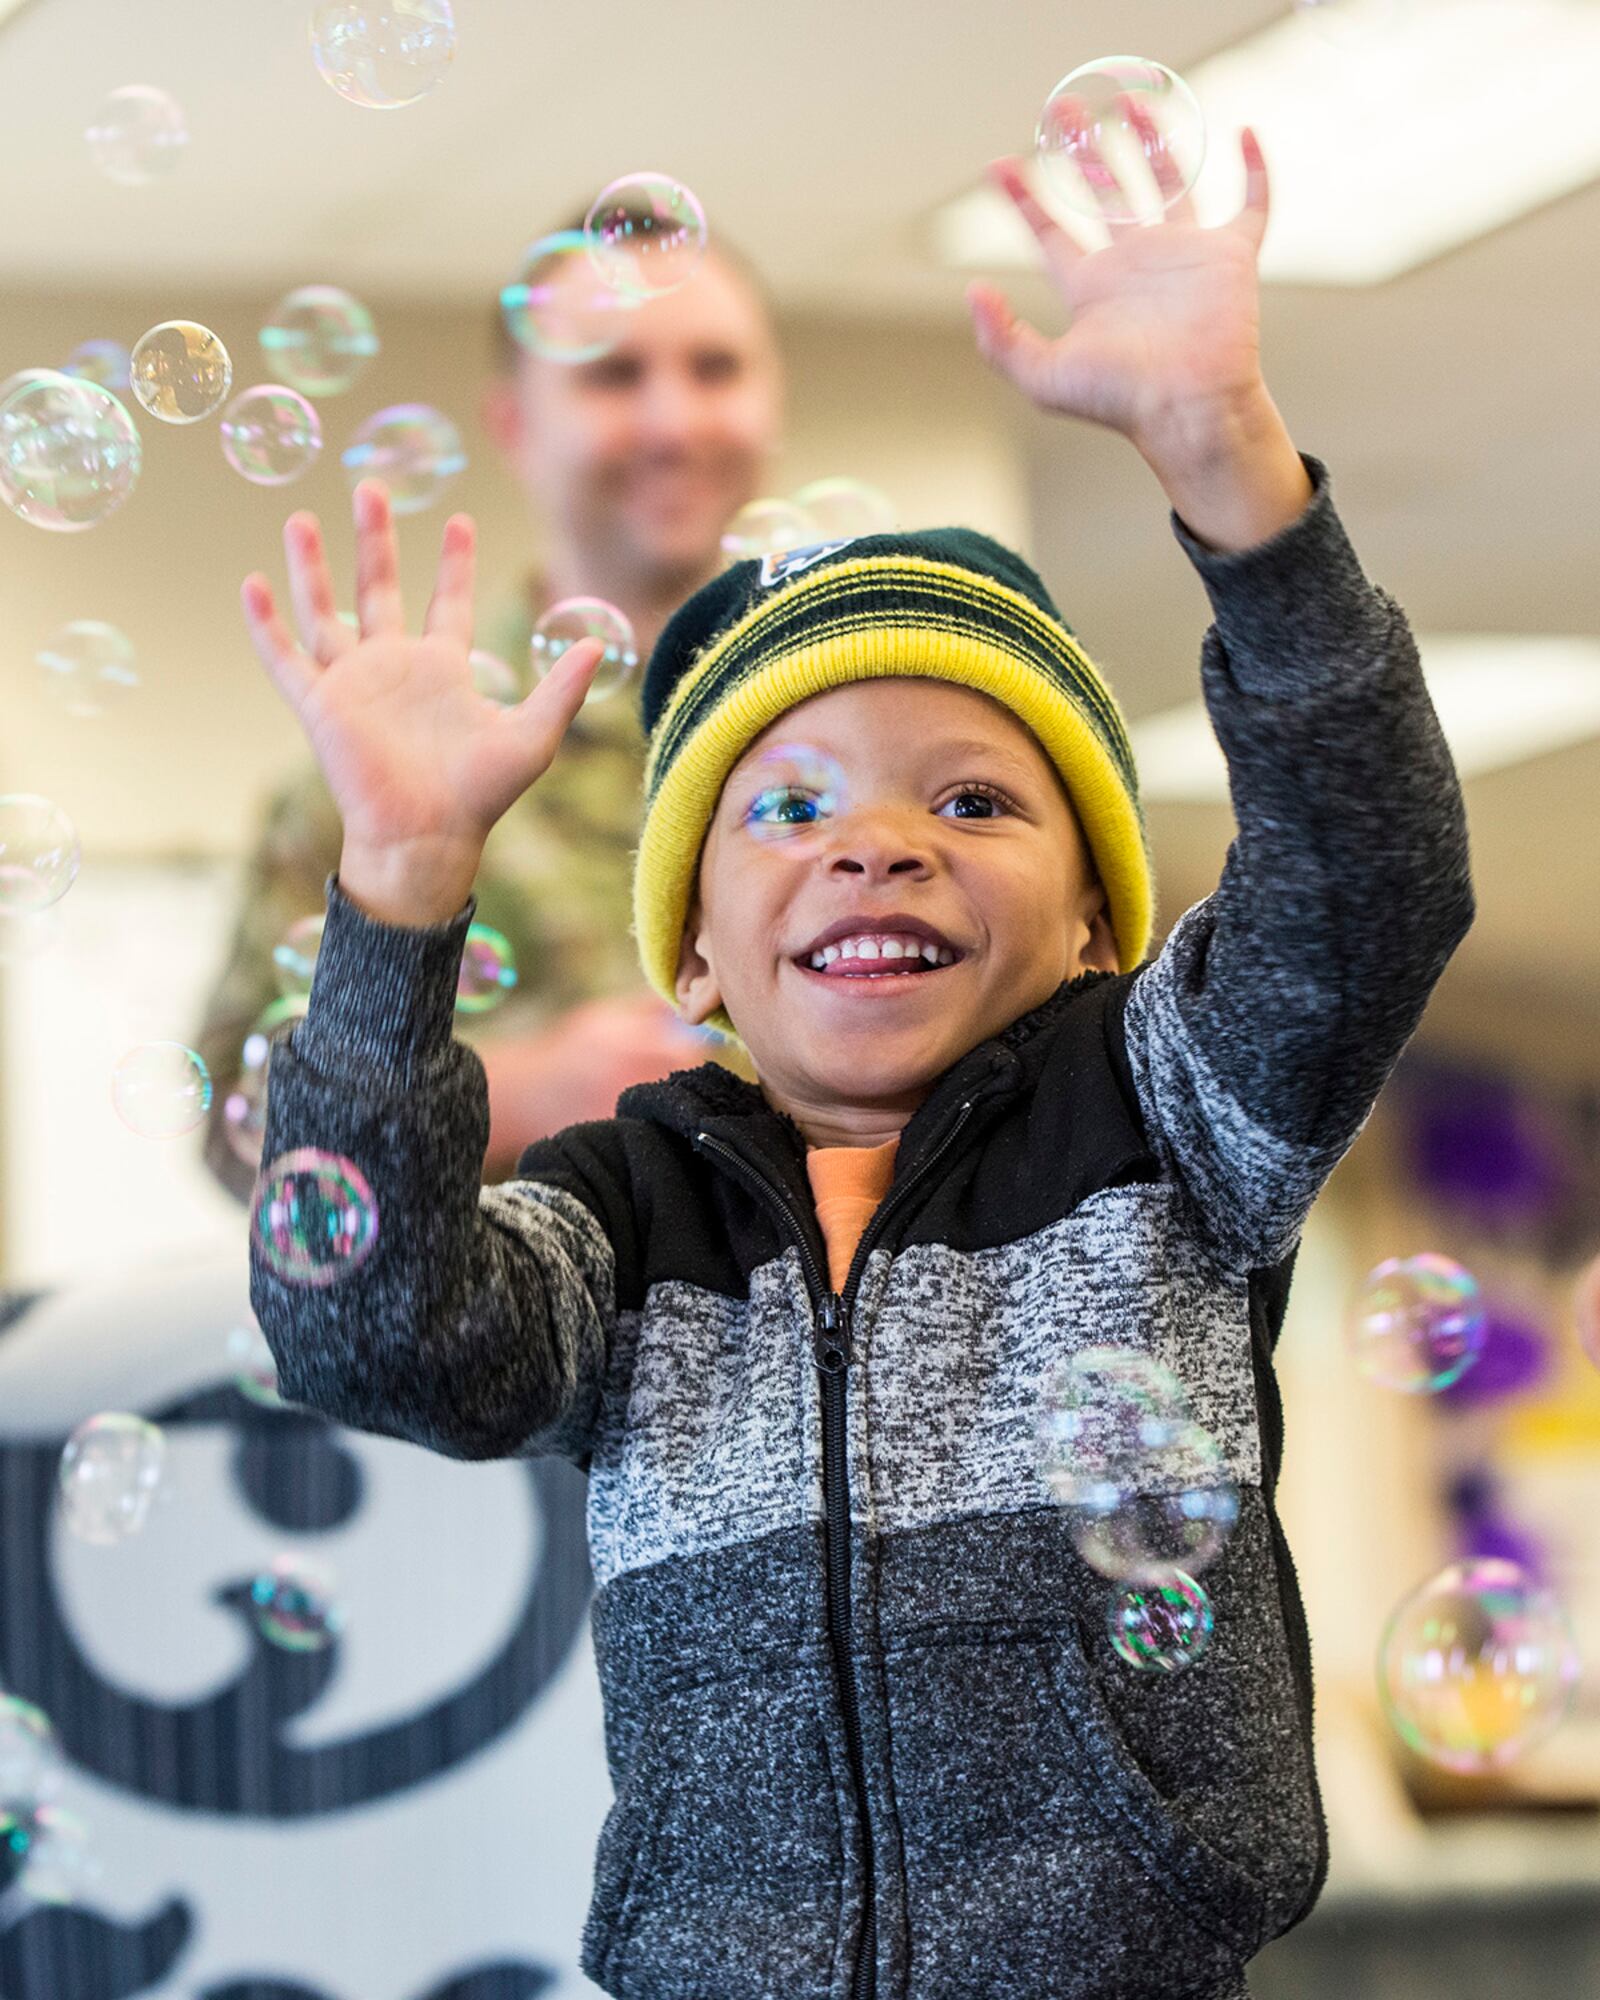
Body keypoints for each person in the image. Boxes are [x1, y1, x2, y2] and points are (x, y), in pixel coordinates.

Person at [237, 121, 1475, 2000]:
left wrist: (1228, 461)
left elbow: (1371, 876)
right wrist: (403, 888)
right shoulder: (624, 1218)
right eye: (788, 806)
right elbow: (369, 1332)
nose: (873, 844)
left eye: (974, 799)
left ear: (1091, 922)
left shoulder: (1165, 1119)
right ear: (699, 956)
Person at [194, 216, 786, 1199]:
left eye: (716, 369)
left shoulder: (863, 732)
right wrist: (520, 1088)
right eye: (613, 374)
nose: (673, 421)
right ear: (513, 421)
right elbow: (232, 1126)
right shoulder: (382, 777)